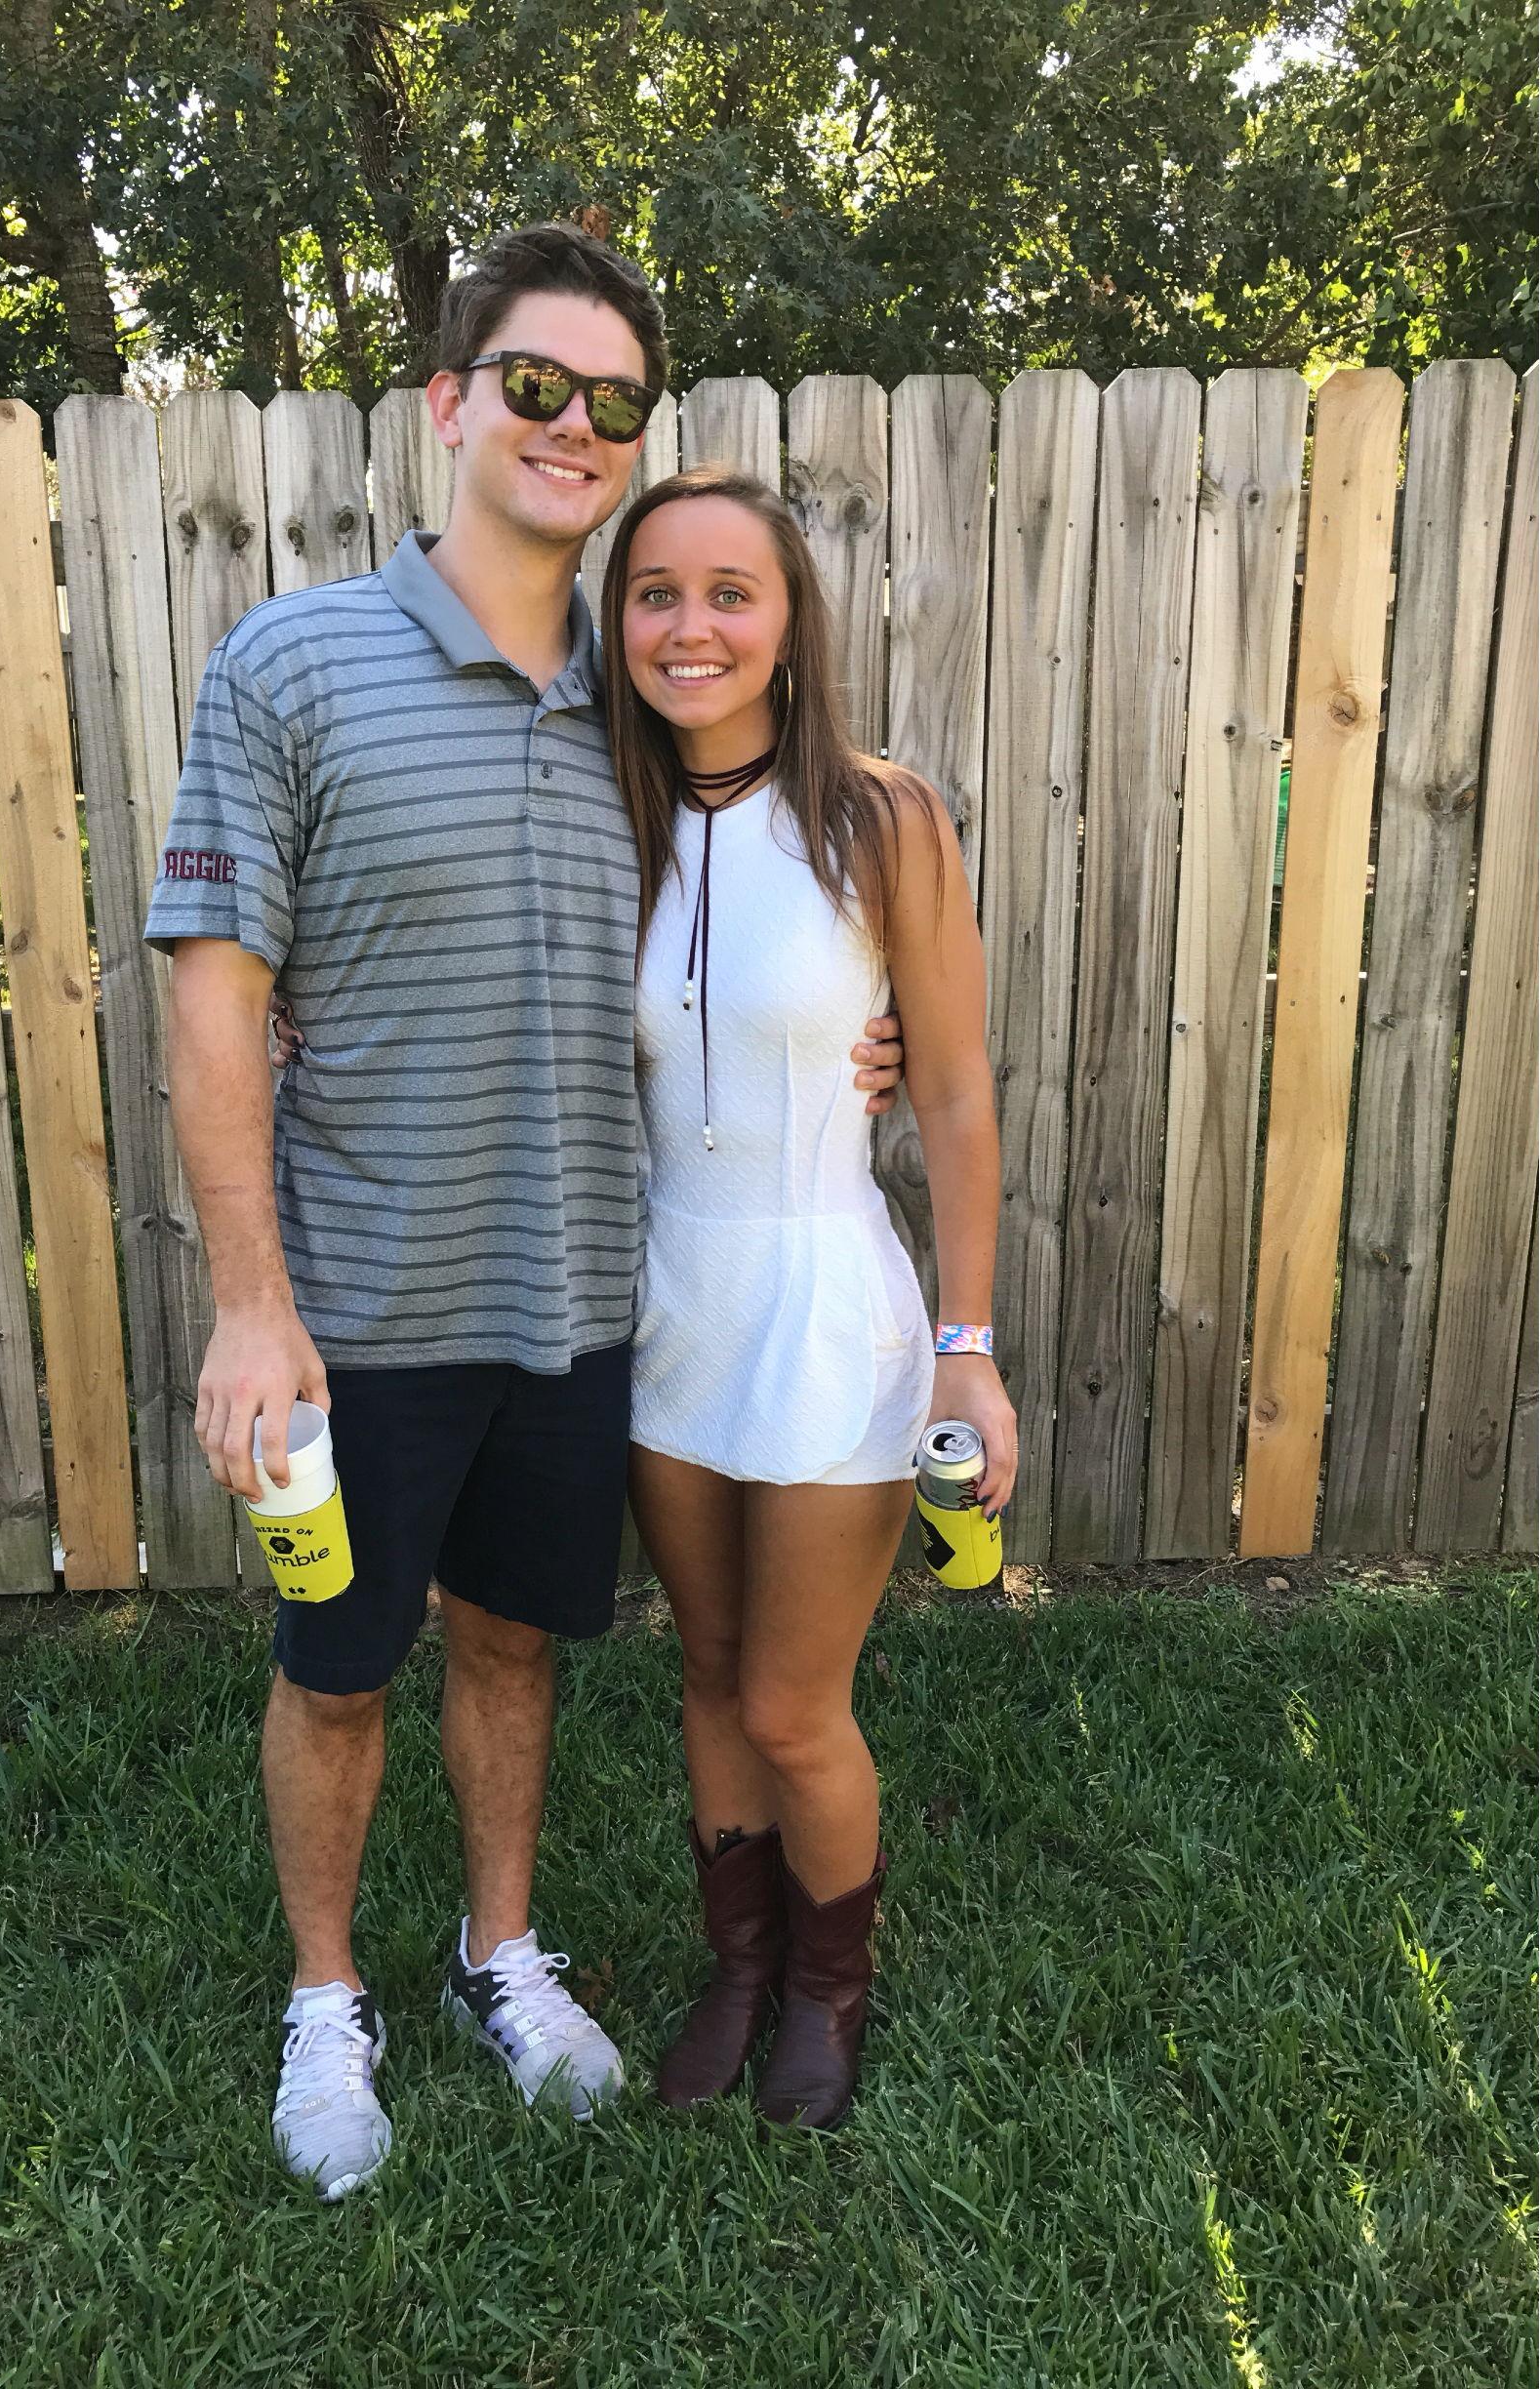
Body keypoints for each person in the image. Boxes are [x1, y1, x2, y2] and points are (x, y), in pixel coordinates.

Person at [143, 223, 905, 2201]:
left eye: (613, 401)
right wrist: (250, 1301)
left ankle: (502, 1950)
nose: (575, 425)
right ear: (450, 404)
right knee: (338, 1671)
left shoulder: (651, 705)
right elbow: (216, 992)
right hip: (361, 1302)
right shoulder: (292, 665)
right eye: (538, 385)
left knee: (512, 1646)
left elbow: (759, 927)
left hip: (583, 1299)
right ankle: (328, 1998)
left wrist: (863, 1036)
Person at [602, 467, 1020, 2131]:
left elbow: (959, 1092)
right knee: (708, 1672)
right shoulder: (605, 814)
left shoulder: (878, 819)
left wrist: (969, 1351)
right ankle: (740, 1968)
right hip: (668, 1303)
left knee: (791, 1699)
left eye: (731, 592)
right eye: (655, 593)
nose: (689, 625)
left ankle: (832, 1990)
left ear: (789, 625)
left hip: (826, 1297)